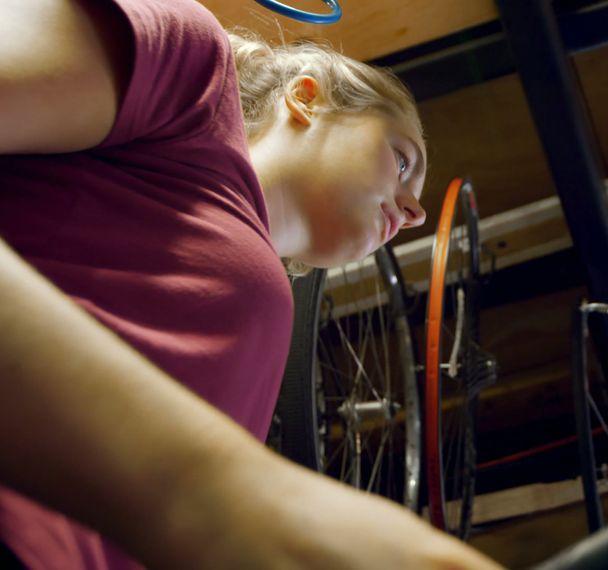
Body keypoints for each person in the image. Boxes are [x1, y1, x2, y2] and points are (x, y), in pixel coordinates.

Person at [0, 0, 502, 568]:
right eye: (403, 161)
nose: (413, 212)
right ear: (306, 97)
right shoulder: (191, 70)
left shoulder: (269, 317)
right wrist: (232, 493)